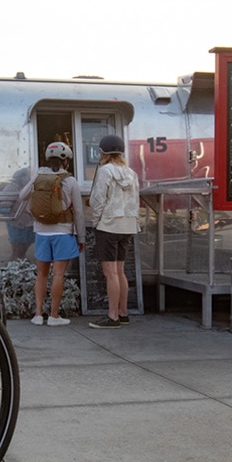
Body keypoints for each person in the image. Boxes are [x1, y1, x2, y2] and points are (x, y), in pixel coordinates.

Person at [19, 141, 85, 326]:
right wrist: (81, 237)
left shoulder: (38, 176)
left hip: (41, 231)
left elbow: (22, 196)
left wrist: (35, 184)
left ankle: (38, 315)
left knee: (41, 274)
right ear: (67, 161)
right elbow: (79, 212)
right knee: (58, 275)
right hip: (63, 232)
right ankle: (54, 316)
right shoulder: (70, 181)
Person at [87, 134, 140, 329]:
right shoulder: (131, 173)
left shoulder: (105, 171)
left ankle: (112, 316)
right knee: (120, 271)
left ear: (103, 152)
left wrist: (95, 220)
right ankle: (123, 313)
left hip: (109, 226)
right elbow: (135, 200)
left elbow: (99, 199)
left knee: (110, 274)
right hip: (127, 226)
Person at [5, 168, 35, 260]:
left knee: (23, 247)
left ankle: (20, 261)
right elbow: (5, 206)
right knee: (17, 248)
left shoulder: (27, 187)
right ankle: (13, 264)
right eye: (28, 177)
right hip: (17, 223)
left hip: (28, 223)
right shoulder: (12, 187)